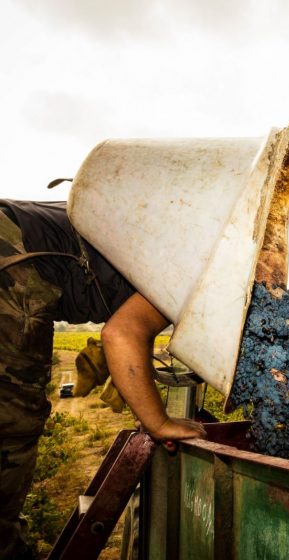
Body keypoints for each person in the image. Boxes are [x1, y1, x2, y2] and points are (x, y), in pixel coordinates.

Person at [0, 199, 206, 560]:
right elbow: (122, 334)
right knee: (11, 422)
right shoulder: (193, 277)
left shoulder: (156, 240)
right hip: (11, 263)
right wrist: (158, 422)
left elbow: (128, 330)